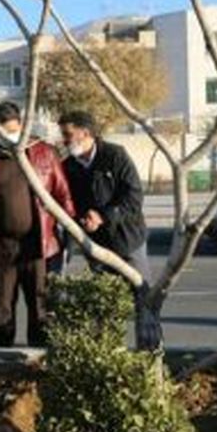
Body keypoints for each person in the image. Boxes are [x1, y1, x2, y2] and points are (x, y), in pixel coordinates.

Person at [0, 101, 75, 347]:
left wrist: (69, 232)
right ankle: (1, 356)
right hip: (3, 247)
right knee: (3, 307)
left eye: (12, 129)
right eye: (2, 130)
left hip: (38, 245)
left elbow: (64, 195)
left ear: (21, 125)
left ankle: (38, 359)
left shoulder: (44, 152)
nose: (8, 135)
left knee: (39, 306)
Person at [58, 110, 161, 351]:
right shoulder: (68, 167)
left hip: (128, 240)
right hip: (96, 247)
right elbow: (67, 204)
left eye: (68, 134)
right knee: (106, 302)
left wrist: (104, 216)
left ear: (85, 133)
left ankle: (148, 353)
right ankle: (111, 354)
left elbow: (134, 196)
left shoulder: (114, 155)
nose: (64, 140)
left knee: (142, 297)